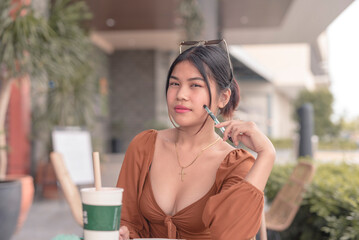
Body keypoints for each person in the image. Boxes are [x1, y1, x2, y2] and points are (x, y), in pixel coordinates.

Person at [116, 39, 276, 240]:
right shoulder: (144, 146)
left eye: (195, 85)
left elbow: (231, 235)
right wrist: (123, 233)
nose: (181, 95)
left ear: (223, 98)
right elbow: (126, 220)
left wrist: (267, 154)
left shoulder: (235, 164)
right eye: (174, 83)